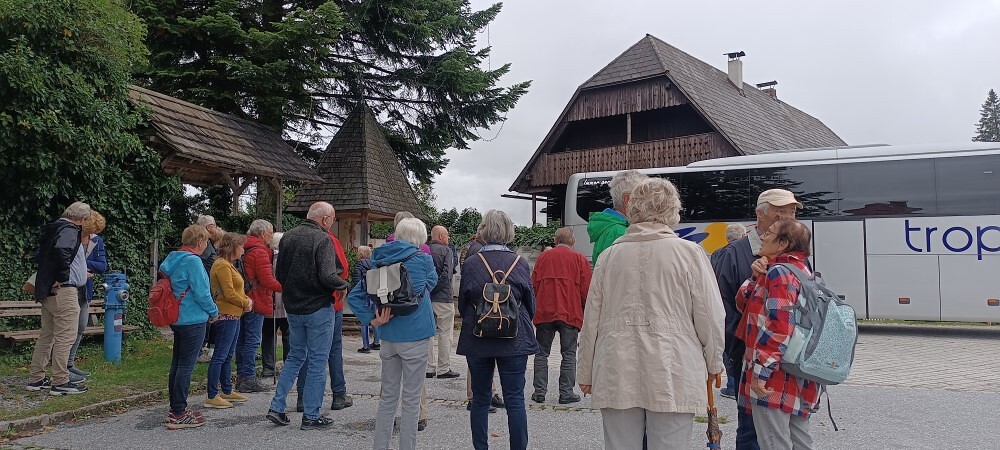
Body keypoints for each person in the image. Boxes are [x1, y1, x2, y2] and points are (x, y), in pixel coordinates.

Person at [577, 178, 725, 450]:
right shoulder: (690, 253)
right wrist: (714, 363)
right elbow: (711, 315)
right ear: (673, 209)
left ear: (632, 208)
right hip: (673, 366)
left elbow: (591, 320)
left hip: (616, 365)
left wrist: (586, 371)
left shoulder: (609, 256)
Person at [711, 188, 801, 450]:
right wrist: (735, 352)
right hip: (749, 357)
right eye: (780, 211)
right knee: (752, 431)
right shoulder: (733, 253)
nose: (787, 217)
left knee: (788, 431)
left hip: (789, 360)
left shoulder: (795, 254)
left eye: (792, 211)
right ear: (759, 214)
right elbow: (722, 307)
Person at [347, 218, 438, 450]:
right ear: (420, 238)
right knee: (411, 400)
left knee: (387, 398)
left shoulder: (378, 260)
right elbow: (431, 284)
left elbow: (354, 296)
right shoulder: (423, 259)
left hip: (388, 335)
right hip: (416, 334)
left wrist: (371, 319)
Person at [457, 209, 538, 450]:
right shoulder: (519, 262)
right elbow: (530, 303)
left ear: (483, 230)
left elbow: (463, 302)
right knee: (515, 399)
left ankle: (481, 447)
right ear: (509, 232)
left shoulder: (472, 263)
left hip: (478, 336)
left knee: (480, 398)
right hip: (513, 338)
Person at [266, 202, 350, 431]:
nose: (332, 223)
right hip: (318, 307)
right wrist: (344, 284)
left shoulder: (288, 237)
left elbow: (280, 274)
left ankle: (277, 406)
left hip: (293, 307)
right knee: (317, 361)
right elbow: (327, 275)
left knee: (295, 357)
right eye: (332, 219)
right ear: (325, 219)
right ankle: (311, 415)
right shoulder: (322, 239)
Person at [737, 219, 819, 450]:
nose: (762, 236)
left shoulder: (779, 273)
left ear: (783, 244)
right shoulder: (802, 270)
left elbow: (779, 328)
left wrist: (760, 373)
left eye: (769, 233)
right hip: (798, 372)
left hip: (774, 377)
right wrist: (756, 275)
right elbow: (744, 304)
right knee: (800, 441)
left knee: (774, 443)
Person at [27, 202, 91, 395]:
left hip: (48, 290)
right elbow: (62, 250)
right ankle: (61, 381)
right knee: (66, 336)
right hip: (64, 291)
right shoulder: (69, 230)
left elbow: (39, 255)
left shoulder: (52, 228)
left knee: (47, 336)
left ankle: (36, 379)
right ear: (81, 219)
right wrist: (62, 277)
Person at [159, 225, 220, 429]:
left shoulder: (173, 258)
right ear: (200, 242)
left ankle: (175, 408)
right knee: (186, 366)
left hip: (177, 316)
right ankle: (179, 412)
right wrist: (213, 311)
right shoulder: (193, 261)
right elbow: (202, 292)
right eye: (206, 242)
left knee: (177, 364)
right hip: (193, 317)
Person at [530, 227, 591, 405]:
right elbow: (586, 290)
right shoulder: (579, 258)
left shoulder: (544, 257)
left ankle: (539, 392)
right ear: (573, 241)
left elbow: (533, 285)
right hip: (570, 312)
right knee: (569, 354)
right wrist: (585, 310)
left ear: (555, 240)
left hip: (545, 311)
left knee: (541, 353)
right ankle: (566, 393)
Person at [296, 227, 352, 411]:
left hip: (301, 302)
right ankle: (338, 394)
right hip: (329, 302)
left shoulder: (295, 238)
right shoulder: (328, 239)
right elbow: (342, 269)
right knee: (333, 349)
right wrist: (342, 285)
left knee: (305, 350)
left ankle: (303, 397)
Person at [205, 232, 253, 409]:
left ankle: (226, 389)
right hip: (226, 315)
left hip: (233, 314)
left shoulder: (228, 265)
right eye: (241, 246)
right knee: (220, 355)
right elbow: (229, 293)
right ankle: (211, 395)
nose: (243, 250)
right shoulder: (222, 266)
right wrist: (246, 302)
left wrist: (245, 300)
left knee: (227, 355)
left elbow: (235, 291)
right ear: (232, 247)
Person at [235, 219, 282, 393]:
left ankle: (242, 376)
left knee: (242, 340)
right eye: (270, 233)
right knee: (252, 341)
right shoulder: (259, 251)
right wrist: (286, 287)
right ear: (262, 234)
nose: (271, 236)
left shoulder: (244, 247)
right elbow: (267, 280)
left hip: (243, 298)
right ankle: (249, 378)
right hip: (257, 299)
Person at [67, 210, 108, 379]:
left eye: (95, 231)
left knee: (81, 327)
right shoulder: (70, 238)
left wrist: (82, 264)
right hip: (68, 288)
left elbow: (102, 266)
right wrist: (83, 267)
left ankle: (69, 364)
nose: (92, 234)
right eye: (90, 230)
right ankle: (62, 368)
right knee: (66, 329)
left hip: (85, 291)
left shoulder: (96, 241)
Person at [587, 169, 648, 266]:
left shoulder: (613, 226)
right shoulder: (620, 232)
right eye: (642, 197)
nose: (647, 203)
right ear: (627, 199)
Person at [715, 222, 748, 400]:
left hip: (723, 309)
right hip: (740, 309)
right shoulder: (745, 254)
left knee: (728, 349)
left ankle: (731, 385)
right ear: (743, 236)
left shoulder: (717, 254)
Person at [427, 225, 459, 379]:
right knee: (445, 333)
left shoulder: (424, 249)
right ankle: (443, 368)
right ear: (440, 236)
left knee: (427, 334)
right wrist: (436, 288)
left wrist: (429, 289)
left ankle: (428, 367)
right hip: (444, 298)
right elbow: (447, 275)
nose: (448, 238)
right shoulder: (447, 251)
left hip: (427, 298)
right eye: (447, 235)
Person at [262, 232, 289, 378]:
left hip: (270, 302)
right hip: (285, 302)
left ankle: (268, 367)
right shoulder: (287, 257)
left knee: (268, 336)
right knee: (288, 335)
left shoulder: (266, 256)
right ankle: (289, 366)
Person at [196, 214, 219, 364]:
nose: (216, 228)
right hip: (205, 286)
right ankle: (198, 351)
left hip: (208, 284)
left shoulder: (208, 243)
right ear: (209, 227)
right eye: (214, 225)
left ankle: (200, 349)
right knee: (205, 319)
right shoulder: (202, 245)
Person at [352, 246, 380, 353]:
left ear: (361, 254)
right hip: (373, 294)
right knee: (374, 317)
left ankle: (366, 346)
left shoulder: (359, 265)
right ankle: (376, 342)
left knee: (364, 320)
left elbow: (357, 281)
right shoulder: (374, 265)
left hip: (364, 295)